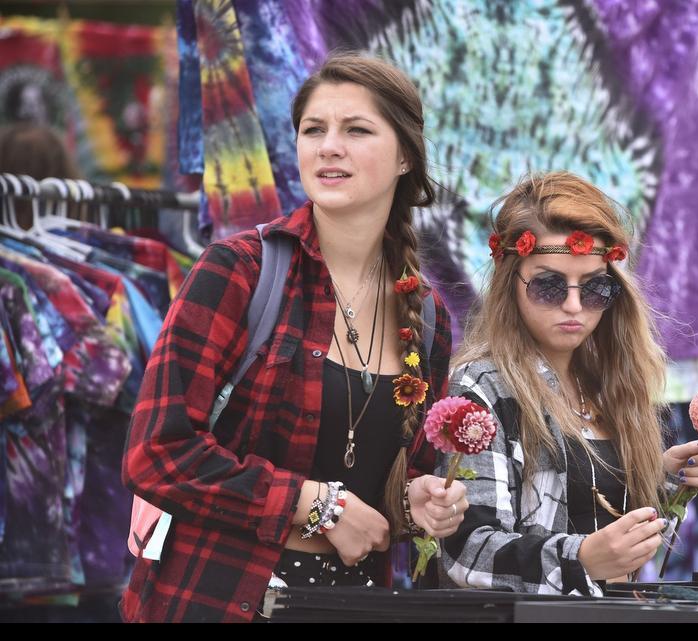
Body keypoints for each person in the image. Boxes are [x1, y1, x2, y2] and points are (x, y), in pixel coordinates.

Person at [120, 53, 468, 622]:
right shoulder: (239, 271)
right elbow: (157, 453)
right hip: (221, 602)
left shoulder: (426, 315)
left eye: (356, 130)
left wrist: (417, 503)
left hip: (354, 607)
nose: (329, 147)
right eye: (313, 130)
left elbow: (393, 485)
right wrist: (316, 505)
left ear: (405, 155)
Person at [438, 171, 698, 595]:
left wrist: (663, 481)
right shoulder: (481, 388)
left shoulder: (610, 384)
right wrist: (581, 558)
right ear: (511, 282)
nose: (573, 305)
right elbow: (467, 552)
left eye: (594, 288)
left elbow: (599, 520)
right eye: (549, 285)